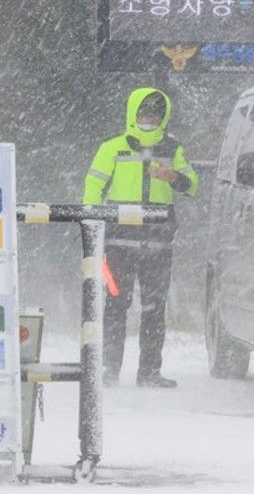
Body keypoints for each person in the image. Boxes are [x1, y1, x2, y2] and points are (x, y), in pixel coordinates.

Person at [83, 87, 198, 388]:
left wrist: (174, 177)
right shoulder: (112, 148)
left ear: (164, 116)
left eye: (155, 113)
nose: (148, 118)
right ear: (132, 114)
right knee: (114, 306)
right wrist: (93, 225)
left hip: (159, 243)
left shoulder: (173, 150)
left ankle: (149, 372)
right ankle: (109, 371)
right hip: (118, 243)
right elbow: (93, 188)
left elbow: (193, 184)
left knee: (154, 309)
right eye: (143, 112)